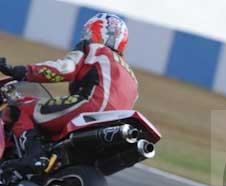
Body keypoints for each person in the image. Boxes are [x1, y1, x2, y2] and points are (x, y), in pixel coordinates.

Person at [0, 12, 137, 175]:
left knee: (22, 108)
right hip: (115, 124)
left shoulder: (94, 49)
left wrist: (21, 71)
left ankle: (32, 157)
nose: (86, 36)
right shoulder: (132, 77)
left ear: (96, 33)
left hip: (90, 107)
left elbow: (65, 69)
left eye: (88, 32)